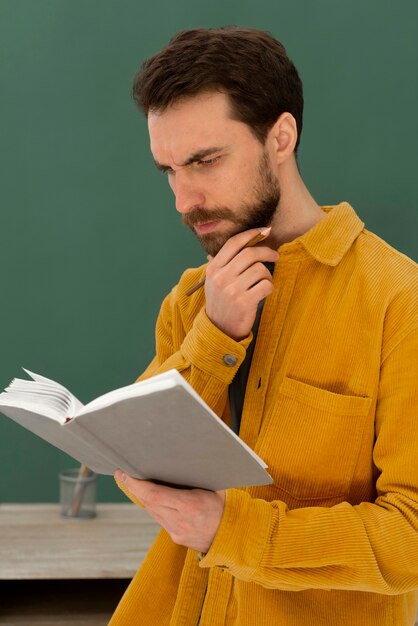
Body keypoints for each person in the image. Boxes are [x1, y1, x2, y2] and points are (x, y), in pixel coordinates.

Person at [110, 27, 418, 626]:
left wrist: (233, 530)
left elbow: (412, 537)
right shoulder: (193, 300)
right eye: (168, 170)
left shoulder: (398, 301)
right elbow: (131, 463)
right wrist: (214, 339)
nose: (183, 198)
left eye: (204, 160)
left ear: (281, 135)